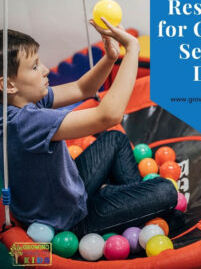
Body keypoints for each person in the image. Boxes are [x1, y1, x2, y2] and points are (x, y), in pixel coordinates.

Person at [0, 18, 179, 239]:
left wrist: (110, 58)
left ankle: (125, 202)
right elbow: (109, 115)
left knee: (115, 139)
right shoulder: (25, 122)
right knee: (166, 191)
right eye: (35, 66)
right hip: (69, 220)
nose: (45, 69)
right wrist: (132, 50)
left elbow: (81, 87)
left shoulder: (18, 102)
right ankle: (125, 204)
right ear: (8, 84)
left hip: (67, 190)